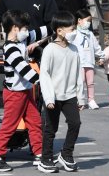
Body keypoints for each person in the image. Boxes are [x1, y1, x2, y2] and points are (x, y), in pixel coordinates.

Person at [0, 10, 49, 172]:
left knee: (35, 122)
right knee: (9, 125)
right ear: (15, 28)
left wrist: (57, 25)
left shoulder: (22, 39)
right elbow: (23, 69)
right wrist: (41, 81)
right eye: (24, 28)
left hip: (26, 90)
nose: (27, 31)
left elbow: (40, 31)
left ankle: (39, 154)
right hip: (14, 93)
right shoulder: (10, 49)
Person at [39, 11, 84, 173]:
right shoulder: (50, 49)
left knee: (75, 123)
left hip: (70, 95)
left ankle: (66, 154)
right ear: (59, 31)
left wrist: (81, 97)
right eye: (71, 29)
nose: (74, 32)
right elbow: (44, 75)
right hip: (53, 96)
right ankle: (46, 159)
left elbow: (79, 73)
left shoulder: (74, 50)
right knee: (51, 129)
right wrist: (49, 98)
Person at [72, 9, 104, 110]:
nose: (89, 23)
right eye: (87, 20)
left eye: (90, 21)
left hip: (89, 62)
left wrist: (101, 56)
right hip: (79, 62)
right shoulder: (74, 33)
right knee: (80, 82)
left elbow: (96, 46)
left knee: (90, 82)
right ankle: (79, 100)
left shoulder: (90, 34)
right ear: (79, 20)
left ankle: (91, 100)